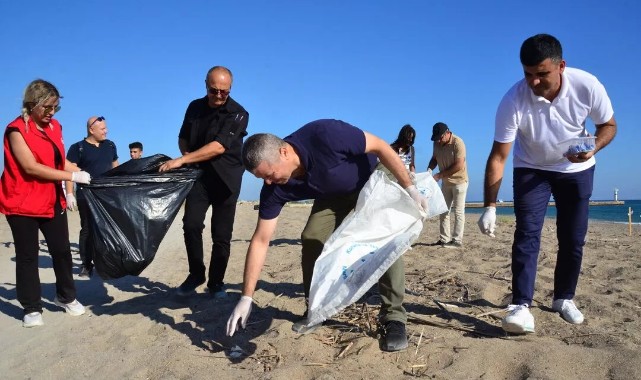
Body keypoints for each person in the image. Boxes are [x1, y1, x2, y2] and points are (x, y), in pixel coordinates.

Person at [225, 119, 429, 352]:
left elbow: (381, 146)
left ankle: (394, 317)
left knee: (385, 238)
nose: (268, 182)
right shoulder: (274, 188)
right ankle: (316, 309)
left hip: (372, 177)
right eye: (263, 179)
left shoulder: (324, 134)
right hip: (333, 192)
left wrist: (410, 189)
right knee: (312, 236)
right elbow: (261, 240)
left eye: (269, 174)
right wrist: (246, 297)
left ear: (283, 152)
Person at [478, 34, 616, 334]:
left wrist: (593, 148)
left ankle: (563, 298)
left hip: (576, 168)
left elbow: (608, 125)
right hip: (532, 168)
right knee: (527, 233)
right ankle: (520, 305)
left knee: (572, 238)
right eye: (528, 74)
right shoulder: (512, 100)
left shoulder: (587, 85)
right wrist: (489, 205)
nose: (534, 82)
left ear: (561, 66)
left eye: (542, 74)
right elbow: (499, 157)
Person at [0, 79, 90, 327]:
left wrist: (77, 171)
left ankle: (66, 297)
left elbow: (57, 160)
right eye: (47, 108)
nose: (52, 113)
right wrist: (71, 176)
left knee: (61, 252)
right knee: (27, 256)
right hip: (22, 203)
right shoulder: (16, 130)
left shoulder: (55, 127)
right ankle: (31, 307)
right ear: (32, 104)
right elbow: (32, 168)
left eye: (55, 108)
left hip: (51, 201)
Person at [159, 66, 248, 299]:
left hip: (226, 181)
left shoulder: (238, 113)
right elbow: (183, 137)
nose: (219, 96)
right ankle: (196, 274)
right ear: (206, 85)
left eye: (224, 92)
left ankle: (216, 283)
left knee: (221, 235)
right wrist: (187, 157)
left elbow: (219, 146)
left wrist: (182, 160)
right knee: (191, 224)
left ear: (230, 89)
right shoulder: (194, 107)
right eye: (214, 90)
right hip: (199, 177)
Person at [66, 115, 119, 277]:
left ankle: (107, 262)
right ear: (91, 129)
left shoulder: (110, 146)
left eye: (106, 128)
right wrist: (69, 193)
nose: (106, 131)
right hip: (86, 196)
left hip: (107, 195)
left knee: (107, 229)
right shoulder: (78, 148)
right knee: (88, 230)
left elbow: (115, 168)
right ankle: (86, 264)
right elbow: (69, 171)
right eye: (102, 129)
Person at [427, 122, 468, 248]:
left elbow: (459, 165)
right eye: (436, 138)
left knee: (459, 212)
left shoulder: (458, 142)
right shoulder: (436, 142)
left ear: (447, 133)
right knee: (443, 211)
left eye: (440, 138)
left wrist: (439, 175)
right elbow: (434, 158)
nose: (438, 141)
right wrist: (429, 169)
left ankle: (456, 241)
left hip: (459, 182)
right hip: (446, 183)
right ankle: (444, 239)